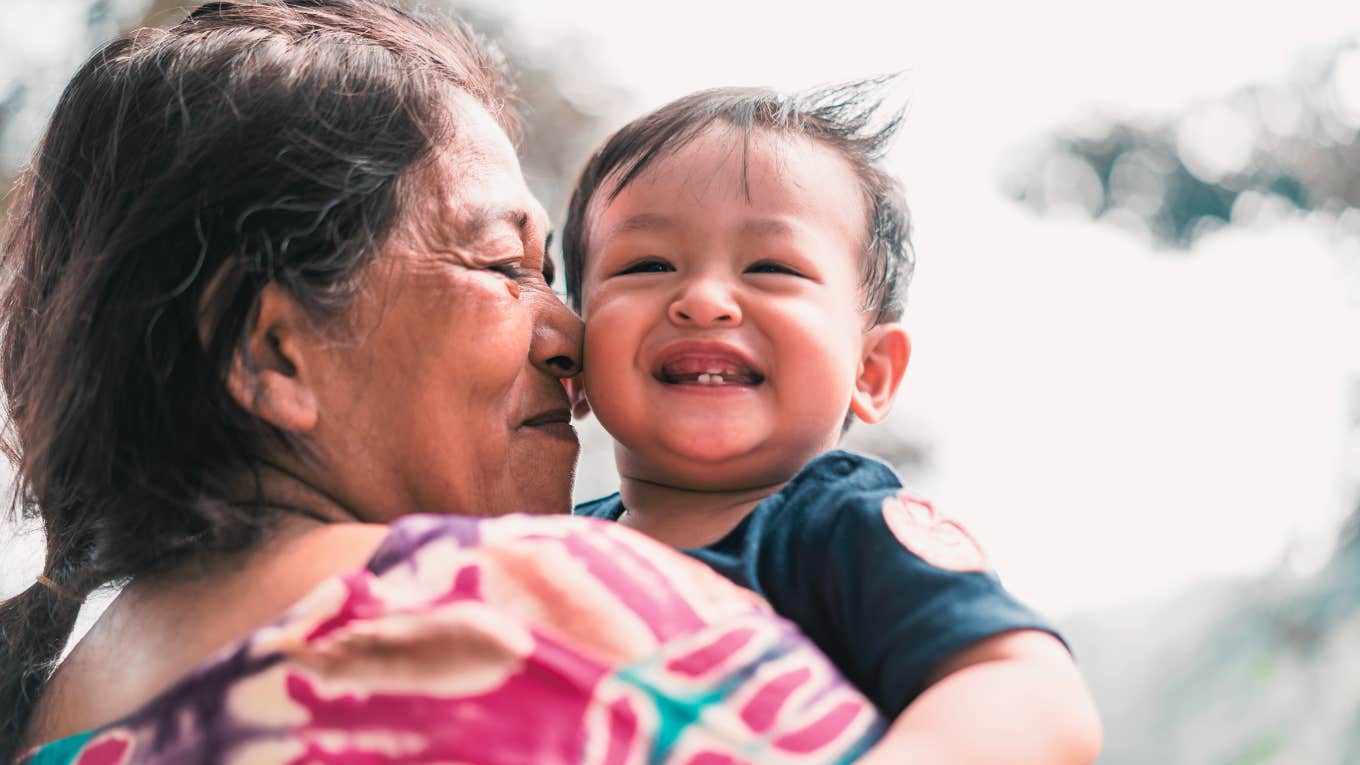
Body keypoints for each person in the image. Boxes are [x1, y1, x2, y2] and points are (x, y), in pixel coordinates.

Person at [0, 3, 898, 763]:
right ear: (271, 351)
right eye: (508, 265)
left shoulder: (43, 723)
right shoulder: (545, 607)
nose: (571, 338)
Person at [562, 83, 1103, 761]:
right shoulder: (543, 543)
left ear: (870, 370)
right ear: (573, 356)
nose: (702, 300)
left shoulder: (841, 528)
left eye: (771, 266)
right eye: (647, 264)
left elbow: (1032, 693)